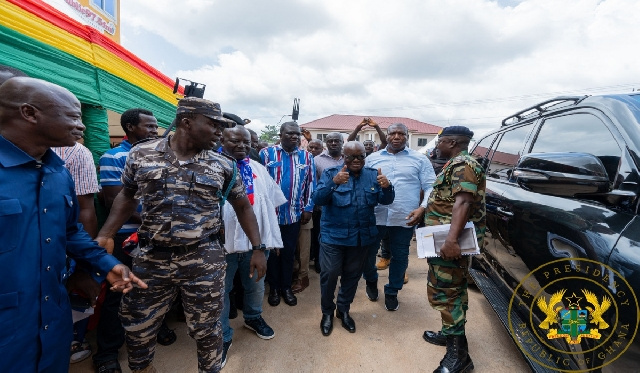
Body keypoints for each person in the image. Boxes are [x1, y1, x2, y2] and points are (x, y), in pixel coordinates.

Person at [96, 97, 265, 373]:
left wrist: (258, 247)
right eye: (212, 125)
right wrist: (106, 234)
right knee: (138, 325)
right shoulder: (141, 154)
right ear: (187, 122)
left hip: (204, 259)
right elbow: (126, 196)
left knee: (208, 329)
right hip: (151, 259)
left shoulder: (223, 164)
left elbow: (243, 206)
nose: (219, 133)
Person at [0, 76, 145, 373]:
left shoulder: (58, 172)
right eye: (72, 116)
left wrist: (106, 264)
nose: (82, 125)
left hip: (52, 319)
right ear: (29, 113)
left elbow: (70, 232)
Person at [94, 108, 159, 373]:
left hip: (154, 236)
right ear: (130, 127)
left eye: (156, 127)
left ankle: (155, 330)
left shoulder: (159, 157)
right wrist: (154, 221)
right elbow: (114, 199)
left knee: (152, 287)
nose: (155, 132)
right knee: (120, 292)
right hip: (126, 236)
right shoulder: (113, 157)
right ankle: (108, 352)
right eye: (149, 127)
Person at [218, 126, 286, 367]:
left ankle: (253, 317)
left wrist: (270, 240)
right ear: (221, 139)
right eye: (235, 141)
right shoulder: (211, 167)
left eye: (246, 142)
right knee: (221, 291)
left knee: (255, 285)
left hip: (256, 244)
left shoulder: (258, 169)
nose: (242, 146)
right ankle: (222, 336)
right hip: (221, 246)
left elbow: (269, 207)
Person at [312, 142, 394, 336]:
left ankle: (343, 310)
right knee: (330, 274)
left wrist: (387, 187)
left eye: (360, 156)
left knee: (352, 276)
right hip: (333, 236)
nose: (356, 161)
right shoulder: (331, 173)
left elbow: (386, 200)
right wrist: (334, 182)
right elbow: (317, 199)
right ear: (343, 157)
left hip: (361, 237)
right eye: (351, 157)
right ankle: (327, 313)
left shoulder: (373, 174)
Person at [422, 126, 485, 373]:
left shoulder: (463, 165)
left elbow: (463, 202)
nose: (437, 145)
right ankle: (449, 333)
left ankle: (459, 358)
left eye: (439, 141)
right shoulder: (456, 163)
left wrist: (451, 241)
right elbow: (447, 200)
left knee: (448, 294)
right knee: (444, 289)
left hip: (450, 244)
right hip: (442, 241)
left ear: (451, 142)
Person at [362, 123, 436, 311]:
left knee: (400, 256)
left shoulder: (420, 159)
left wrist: (422, 208)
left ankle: (392, 291)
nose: (396, 137)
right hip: (375, 215)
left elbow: (430, 186)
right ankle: (371, 281)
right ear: (386, 136)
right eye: (392, 133)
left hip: (405, 216)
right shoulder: (372, 158)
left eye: (401, 133)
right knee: (367, 255)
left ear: (407, 136)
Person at [260, 121, 315, 307]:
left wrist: (308, 208)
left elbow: (311, 184)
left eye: (297, 134)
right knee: (272, 253)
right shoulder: (266, 154)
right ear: (281, 134)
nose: (294, 136)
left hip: (294, 215)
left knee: (289, 253)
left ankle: (286, 287)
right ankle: (274, 288)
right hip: (270, 215)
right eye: (290, 133)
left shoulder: (307, 156)